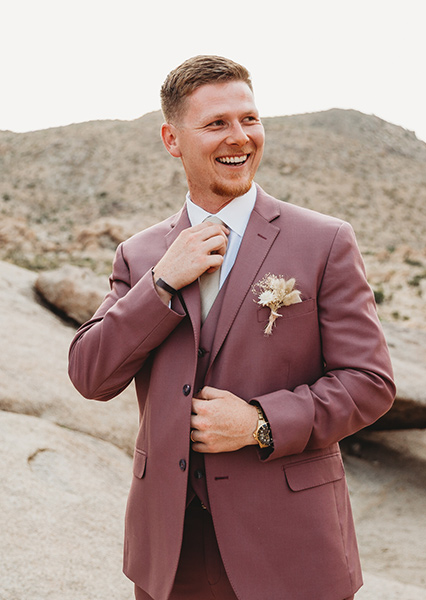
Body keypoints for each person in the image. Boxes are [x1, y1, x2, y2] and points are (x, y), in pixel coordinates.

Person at [68, 55, 396, 600]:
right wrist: (162, 284)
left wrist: (259, 423)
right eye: (217, 123)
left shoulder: (324, 242)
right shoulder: (142, 254)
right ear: (173, 139)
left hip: (290, 547)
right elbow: (90, 375)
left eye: (250, 119)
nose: (239, 137)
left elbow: (370, 382)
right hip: (171, 555)